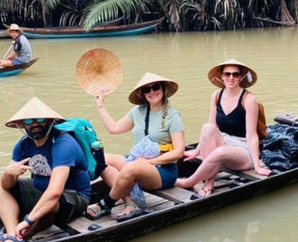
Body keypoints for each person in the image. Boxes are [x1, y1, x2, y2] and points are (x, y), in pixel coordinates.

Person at [0, 97, 91, 242]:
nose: (35, 125)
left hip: (74, 197)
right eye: (30, 122)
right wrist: (7, 173)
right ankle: (13, 237)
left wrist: (27, 221)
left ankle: (25, 234)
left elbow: (54, 193)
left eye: (39, 119)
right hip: (43, 192)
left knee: (50, 204)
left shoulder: (63, 144)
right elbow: (7, 185)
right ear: (23, 125)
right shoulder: (24, 144)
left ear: (49, 121)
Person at [85, 72, 185, 221]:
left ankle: (106, 203)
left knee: (132, 167)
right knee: (101, 159)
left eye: (155, 87)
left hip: (162, 170)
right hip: (136, 162)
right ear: (143, 93)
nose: (152, 92)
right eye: (147, 89)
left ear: (163, 89)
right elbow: (114, 128)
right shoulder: (137, 112)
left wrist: (149, 162)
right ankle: (131, 202)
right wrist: (100, 105)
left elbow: (179, 152)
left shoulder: (172, 116)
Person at [175, 59, 271, 198]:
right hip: (225, 142)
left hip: (243, 150)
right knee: (207, 128)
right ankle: (209, 182)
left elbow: (252, 135)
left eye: (235, 74)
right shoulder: (216, 96)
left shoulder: (248, 99)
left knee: (220, 152)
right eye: (227, 74)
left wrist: (257, 166)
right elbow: (211, 127)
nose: (231, 78)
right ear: (221, 76)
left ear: (241, 76)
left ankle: (190, 182)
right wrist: (196, 151)